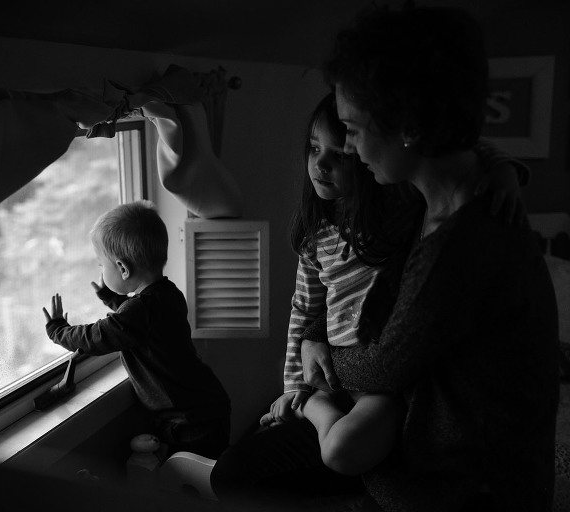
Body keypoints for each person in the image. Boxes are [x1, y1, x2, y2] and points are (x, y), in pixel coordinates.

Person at [210, 86, 530, 510]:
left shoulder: (401, 213)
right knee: (236, 469)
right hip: (332, 380)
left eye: (340, 153)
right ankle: (312, 407)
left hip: (380, 388)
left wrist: (503, 170)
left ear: (364, 157)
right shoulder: (316, 235)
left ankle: (316, 412)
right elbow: (304, 310)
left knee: (343, 451)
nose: (320, 164)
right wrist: (294, 387)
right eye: (313, 149)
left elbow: (453, 153)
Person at [296, 3, 558, 511]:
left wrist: (321, 356)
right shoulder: (438, 198)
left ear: (408, 127)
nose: (349, 148)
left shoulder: (462, 244)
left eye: (353, 129)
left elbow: (383, 367)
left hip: (464, 491)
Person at [42, 200, 231, 459]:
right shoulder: (169, 294)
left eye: (101, 265)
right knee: (211, 472)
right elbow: (139, 322)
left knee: (188, 476)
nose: (101, 270)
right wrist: (113, 299)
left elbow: (97, 337)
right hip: (208, 406)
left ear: (122, 268)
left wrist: (58, 330)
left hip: (189, 421)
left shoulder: (138, 312)